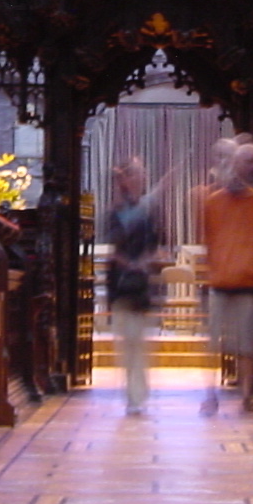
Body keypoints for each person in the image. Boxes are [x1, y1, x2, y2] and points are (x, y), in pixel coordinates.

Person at [199, 137, 253, 414]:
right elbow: (209, 239)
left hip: (247, 284)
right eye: (248, 161)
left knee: (247, 344)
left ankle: (247, 395)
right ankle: (210, 394)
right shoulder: (213, 202)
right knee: (214, 343)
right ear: (235, 164)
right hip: (221, 282)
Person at [105, 157, 162, 415]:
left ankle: (138, 393)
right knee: (128, 342)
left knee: (138, 342)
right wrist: (129, 263)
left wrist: (146, 261)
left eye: (143, 175)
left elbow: (155, 245)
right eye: (137, 175)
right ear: (127, 180)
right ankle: (133, 393)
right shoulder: (116, 212)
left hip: (140, 286)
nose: (141, 179)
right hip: (122, 284)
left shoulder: (147, 211)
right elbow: (113, 246)